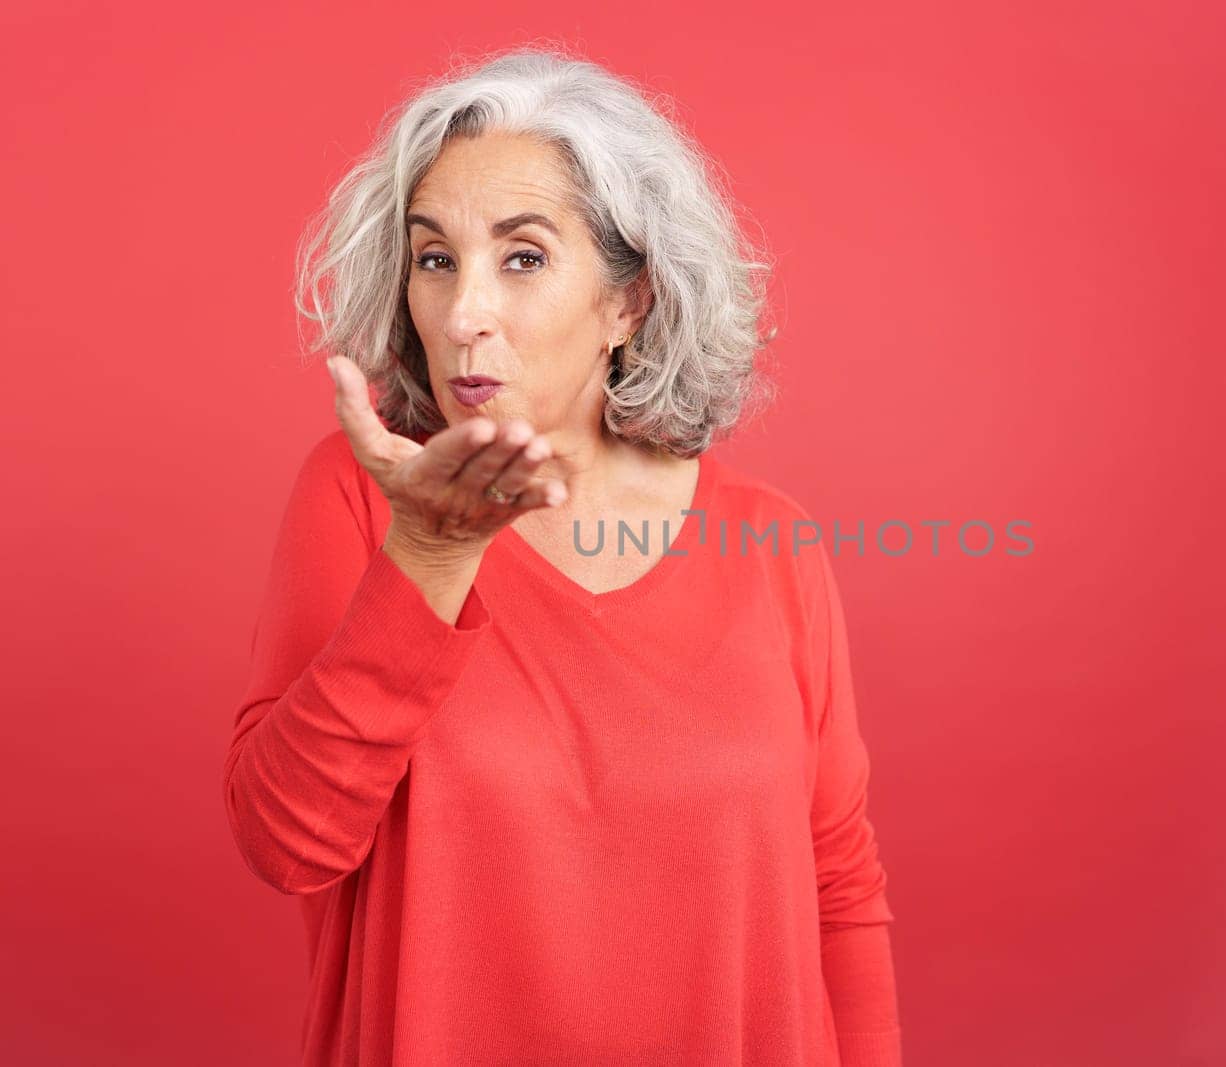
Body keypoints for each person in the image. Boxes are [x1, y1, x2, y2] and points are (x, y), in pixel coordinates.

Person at [220, 45, 902, 1066]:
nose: (463, 315)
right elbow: (287, 843)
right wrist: (430, 553)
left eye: (523, 257)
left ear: (628, 302)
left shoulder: (769, 540)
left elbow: (837, 884)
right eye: (435, 257)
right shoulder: (359, 497)